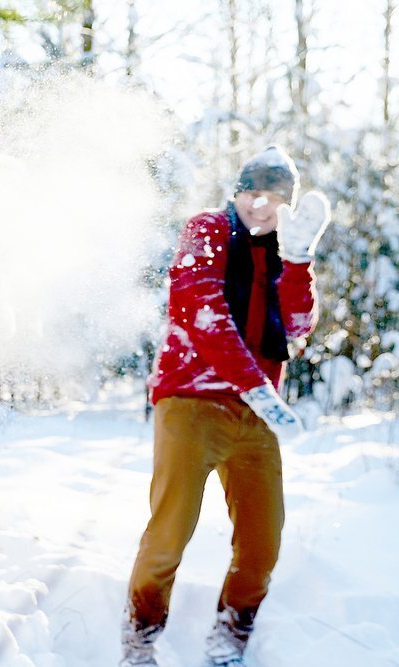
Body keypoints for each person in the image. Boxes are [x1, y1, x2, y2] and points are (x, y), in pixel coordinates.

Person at [120, 145, 331, 667]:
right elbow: (201, 313)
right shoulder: (206, 229)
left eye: (275, 198)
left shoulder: (284, 249)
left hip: (256, 413)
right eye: (251, 193)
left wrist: (300, 263)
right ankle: (141, 635)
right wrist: (257, 386)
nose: (261, 206)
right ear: (236, 193)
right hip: (191, 401)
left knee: (263, 543)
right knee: (171, 530)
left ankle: (229, 638)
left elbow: (298, 329)